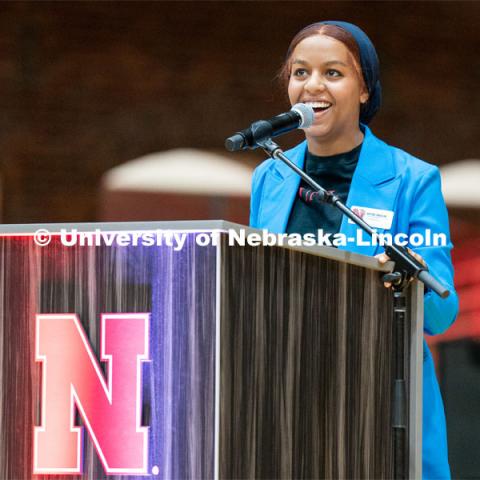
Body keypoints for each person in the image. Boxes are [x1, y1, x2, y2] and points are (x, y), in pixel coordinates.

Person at [249, 21, 458, 479]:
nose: (312, 86)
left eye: (333, 73)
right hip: (287, 396)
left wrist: (412, 278)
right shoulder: (270, 177)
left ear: (365, 89)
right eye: (300, 72)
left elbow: (443, 312)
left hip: (377, 399)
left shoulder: (412, 179)